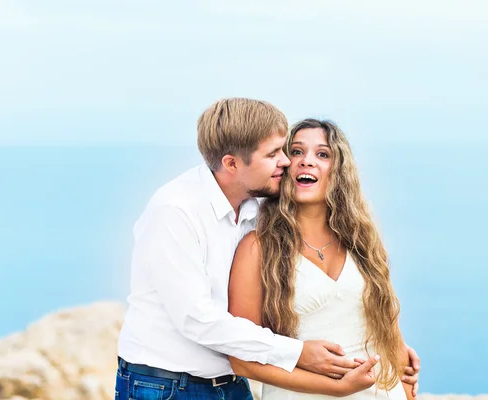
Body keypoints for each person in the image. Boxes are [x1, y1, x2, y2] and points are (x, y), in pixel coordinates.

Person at [114, 99, 420, 400]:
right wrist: (301, 355)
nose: (288, 162)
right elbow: (198, 320)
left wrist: (390, 349)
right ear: (232, 164)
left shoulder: (255, 208)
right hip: (165, 385)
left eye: (286, 151)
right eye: (278, 153)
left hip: (229, 386)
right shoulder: (176, 210)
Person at [228, 118, 415, 399]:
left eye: (322, 154)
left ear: (338, 171)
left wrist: (407, 381)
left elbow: (390, 338)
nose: (307, 161)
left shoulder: (364, 243)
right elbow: (242, 359)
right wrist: (338, 388)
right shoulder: (257, 248)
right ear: (283, 167)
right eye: (297, 152)